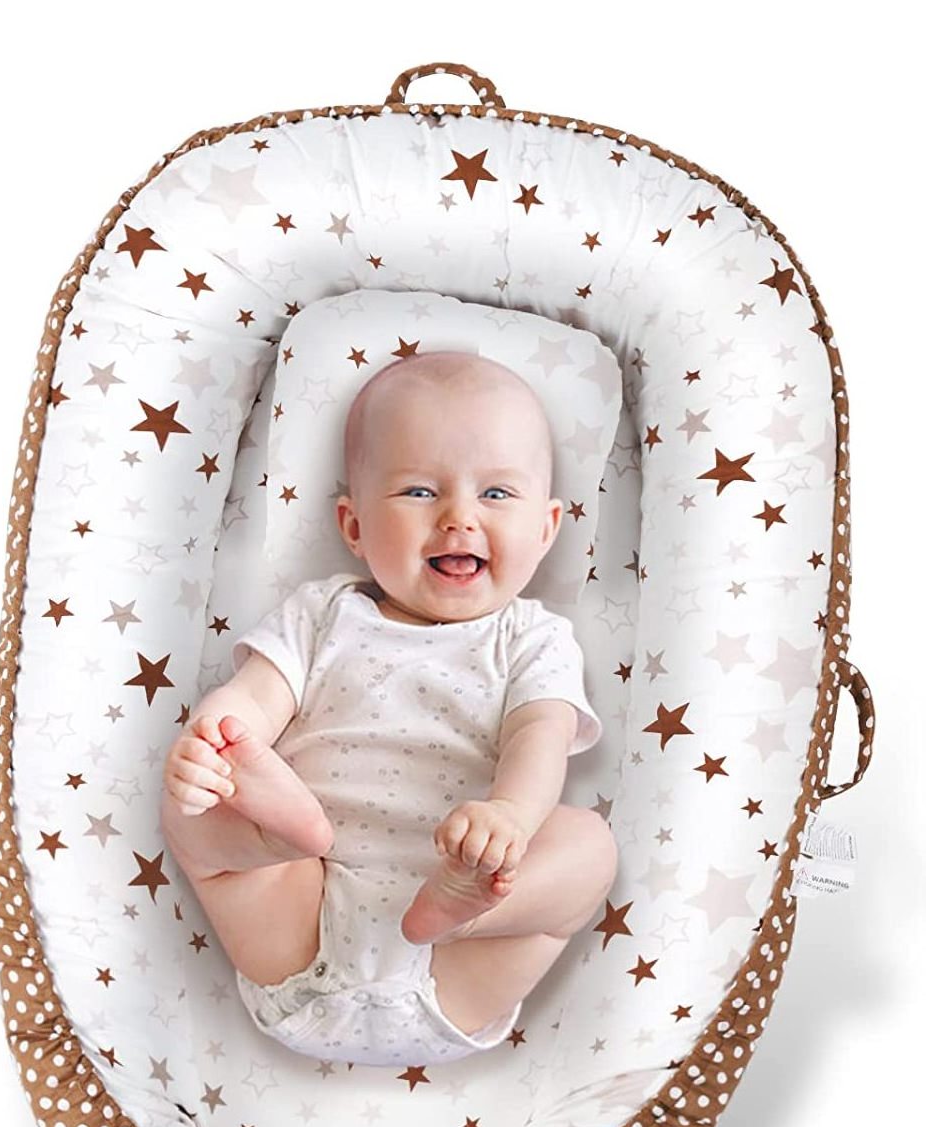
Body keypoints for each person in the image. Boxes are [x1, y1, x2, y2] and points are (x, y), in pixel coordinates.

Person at [159, 351, 617, 1067]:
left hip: (454, 963)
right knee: (190, 812)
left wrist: (509, 818)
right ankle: (281, 835)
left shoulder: (532, 637)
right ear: (354, 525)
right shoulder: (322, 614)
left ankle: (470, 908)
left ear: (547, 527)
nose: (459, 518)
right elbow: (254, 697)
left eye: (497, 493)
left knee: (589, 847)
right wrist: (215, 747)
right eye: (418, 491)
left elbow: (541, 736)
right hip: (300, 916)